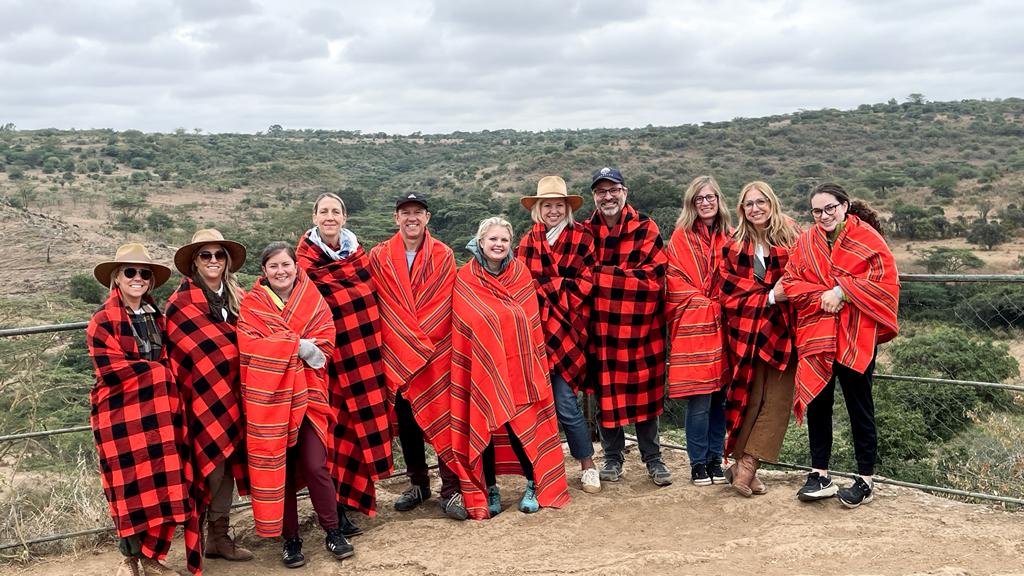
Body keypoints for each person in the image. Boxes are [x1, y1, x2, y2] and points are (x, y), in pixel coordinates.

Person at [440, 216, 570, 519]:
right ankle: (492, 489)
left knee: (520, 426)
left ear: (510, 244)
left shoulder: (520, 274)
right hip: (483, 366)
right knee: (485, 426)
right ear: (481, 242)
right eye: (492, 239)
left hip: (519, 366)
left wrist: (501, 323)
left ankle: (533, 483)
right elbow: (465, 322)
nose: (498, 245)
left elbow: (529, 320)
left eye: (504, 240)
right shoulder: (466, 278)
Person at [782, 183, 900, 508]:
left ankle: (865, 480)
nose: (823, 216)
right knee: (819, 405)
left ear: (844, 206)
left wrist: (842, 291)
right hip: (818, 335)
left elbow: (885, 282)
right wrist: (824, 296)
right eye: (817, 211)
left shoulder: (868, 239)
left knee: (858, 406)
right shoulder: (806, 241)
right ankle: (819, 473)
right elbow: (791, 281)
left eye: (830, 208)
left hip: (856, 335)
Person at [237, 242, 352, 568]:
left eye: (286, 264)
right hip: (271, 402)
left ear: (296, 267)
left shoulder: (312, 299)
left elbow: (325, 342)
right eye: (273, 266)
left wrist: (289, 347)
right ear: (264, 271)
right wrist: (297, 345)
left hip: (310, 397)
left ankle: (333, 530)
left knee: (316, 466)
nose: (280, 271)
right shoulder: (253, 305)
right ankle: (291, 540)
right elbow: (248, 347)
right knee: (282, 470)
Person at [87, 243, 196, 576]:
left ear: (150, 280)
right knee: (128, 486)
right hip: (119, 416)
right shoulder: (102, 321)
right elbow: (111, 370)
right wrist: (160, 375)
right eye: (130, 272)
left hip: (157, 416)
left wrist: (162, 378)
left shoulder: (155, 317)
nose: (137, 278)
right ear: (117, 278)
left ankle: (150, 558)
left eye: (143, 274)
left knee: (160, 482)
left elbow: (167, 358)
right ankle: (129, 559)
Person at [295, 193, 394, 535]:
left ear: (345, 216)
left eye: (335, 211)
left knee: (357, 431)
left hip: (364, 359)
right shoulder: (302, 262)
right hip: (328, 364)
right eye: (324, 211)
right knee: (332, 437)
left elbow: (373, 302)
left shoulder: (359, 256)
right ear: (314, 216)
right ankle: (334, 507)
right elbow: (299, 311)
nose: (330, 217)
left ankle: (352, 503)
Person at [368, 192, 466, 520]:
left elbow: (443, 303)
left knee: (442, 417)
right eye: (405, 212)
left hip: (436, 351)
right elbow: (380, 304)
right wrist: (404, 343)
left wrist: (420, 342)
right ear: (396, 218)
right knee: (407, 422)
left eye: (418, 212)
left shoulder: (443, 254)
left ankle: (450, 488)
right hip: (396, 353)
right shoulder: (380, 255)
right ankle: (419, 484)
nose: (412, 217)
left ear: (427, 217)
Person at [165, 229, 254, 562]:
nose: (213, 261)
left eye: (219, 255)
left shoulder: (238, 297)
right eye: (206, 255)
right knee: (209, 468)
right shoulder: (181, 304)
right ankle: (197, 537)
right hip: (200, 402)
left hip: (236, 396)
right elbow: (186, 355)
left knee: (229, 465)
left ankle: (219, 537)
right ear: (195, 262)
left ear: (227, 261)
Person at [585, 167, 672, 487]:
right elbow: (580, 278)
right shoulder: (584, 232)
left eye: (613, 190)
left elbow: (653, 280)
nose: (607, 196)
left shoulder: (646, 228)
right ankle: (612, 456)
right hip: (602, 330)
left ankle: (653, 458)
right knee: (605, 394)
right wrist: (621, 278)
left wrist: (602, 278)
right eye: (601, 191)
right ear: (594, 196)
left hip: (642, 326)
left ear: (625, 192)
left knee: (647, 396)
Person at [516, 176, 601, 494]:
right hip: (536, 333)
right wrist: (556, 286)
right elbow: (520, 286)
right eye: (547, 205)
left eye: (558, 205)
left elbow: (588, 282)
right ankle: (540, 470)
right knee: (537, 405)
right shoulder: (527, 241)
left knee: (566, 404)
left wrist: (547, 288)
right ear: (538, 208)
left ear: (567, 207)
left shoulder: (582, 237)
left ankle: (587, 465)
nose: (553, 210)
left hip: (569, 331)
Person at [718, 182, 801, 497]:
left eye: (761, 202)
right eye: (748, 204)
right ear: (742, 210)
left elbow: (802, 278)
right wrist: (768, 296)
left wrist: (780, 295)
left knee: (779, 401)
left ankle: (747, 465)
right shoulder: (734, 245)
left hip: (785, 332)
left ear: (772, 203)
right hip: (746, 332)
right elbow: (728, 292)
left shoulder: (793, 239)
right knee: (747, 399)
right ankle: (744, 469)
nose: (755, 208)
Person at [665, 175, 733, 487]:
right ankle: (697, 463)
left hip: (726, 326)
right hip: (694, 326)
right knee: (700, 398)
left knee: (720, 397)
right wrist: (705, 303)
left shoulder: (730, 236)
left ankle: (715, 458)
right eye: (699, 199)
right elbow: (674, 282)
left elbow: (738, 276)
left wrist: (722, 302)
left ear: (719, 200)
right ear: (691, 203)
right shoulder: (681, 237)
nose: (705, 203)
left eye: (710, 197)